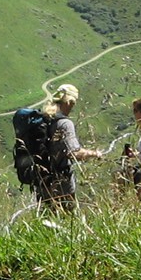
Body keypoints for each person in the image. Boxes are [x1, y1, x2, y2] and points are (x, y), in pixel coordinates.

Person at [36, 83, 102, 211]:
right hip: (62, 184)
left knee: (46, 217)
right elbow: (74, 153)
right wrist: (94, 154)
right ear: (68, 102)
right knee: (66, 218)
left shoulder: (43, 118)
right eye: (73, 104)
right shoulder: (65, 124)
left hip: (42, 182)